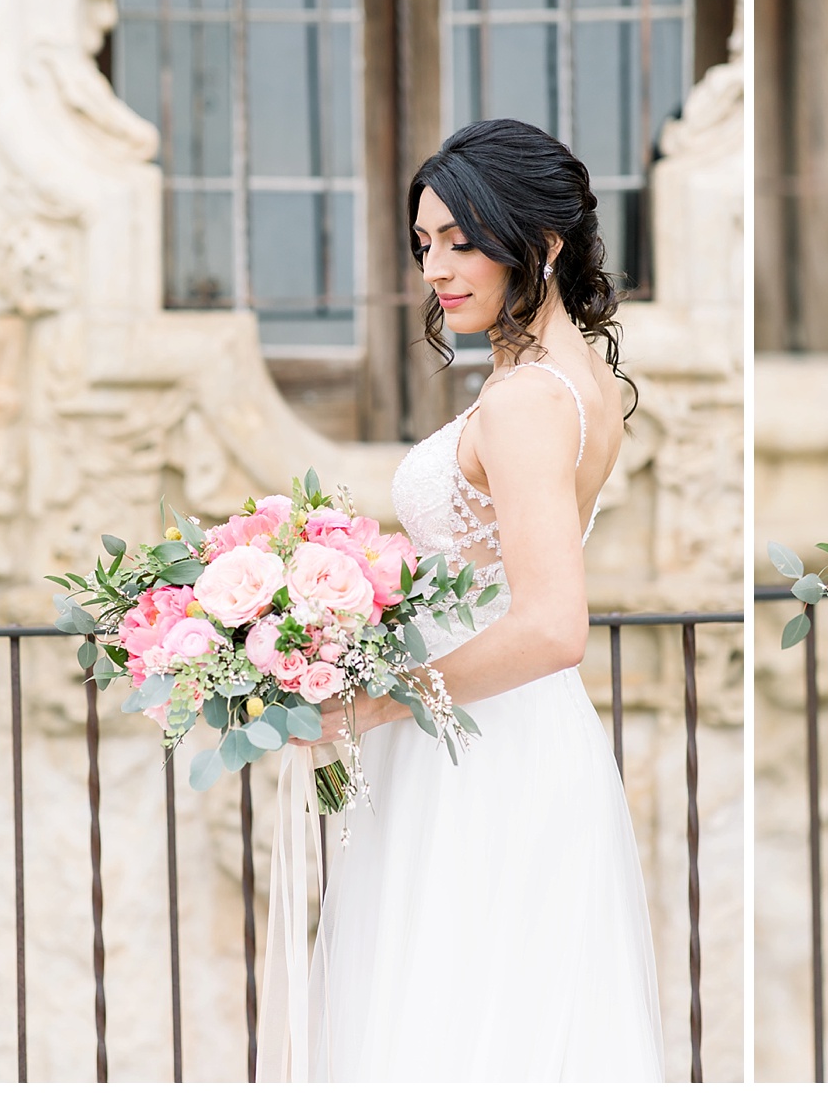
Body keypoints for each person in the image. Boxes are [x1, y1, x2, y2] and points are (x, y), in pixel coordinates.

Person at [302, 119, 664, 1080]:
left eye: (462, 240)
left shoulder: (525, 400)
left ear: (539, 243)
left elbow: (551, 626)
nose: (438, 266)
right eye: (425, 243)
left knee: (457, 1025)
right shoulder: (570, 378)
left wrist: (376, 698)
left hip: (479, 748)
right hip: (503, 733)